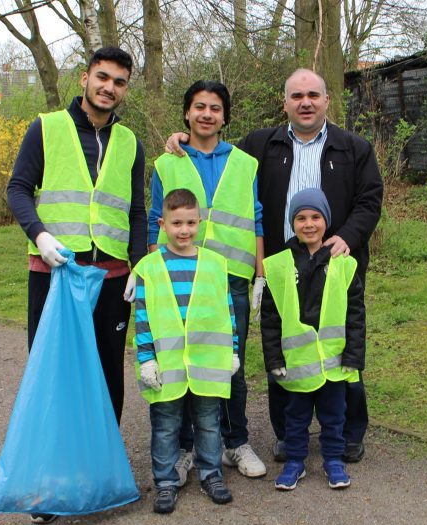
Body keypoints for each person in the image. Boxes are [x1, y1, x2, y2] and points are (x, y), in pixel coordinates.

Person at [165, 69, 383, 464]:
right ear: (284, 103)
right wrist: (181, 139)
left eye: (313, 95)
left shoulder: (354, 148)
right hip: (281, 268)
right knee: (287, 347)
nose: (305, 102)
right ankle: (288, 432)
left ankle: (349, 432)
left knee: (337, 342)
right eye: (297, 95)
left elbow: (370, 200)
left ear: (327, 100)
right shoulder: (260, 145)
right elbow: (215, 151)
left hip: (335, 262)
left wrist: (347, 237)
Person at [6, 46, 146, 525]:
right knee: (55, 375)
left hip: (112, 276)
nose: (109, 87)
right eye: (102, 77)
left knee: (109, 374)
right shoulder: (45, 128)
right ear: (85, 77)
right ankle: (48, 485)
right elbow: (17, 189)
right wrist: (40, 235)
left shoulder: (130, 141)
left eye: (120, 82)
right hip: (57, 272)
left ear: (126, 88)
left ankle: (99, 474)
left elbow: (135, 211)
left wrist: (140, 266)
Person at [149, 81, 267, 479]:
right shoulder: (167, 162)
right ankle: (185, 449)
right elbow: (155, 219)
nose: (207, 114)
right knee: (182, 362)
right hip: (180, 278)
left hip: (231, 277)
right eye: (199, 106)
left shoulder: (246, 163)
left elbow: (257, 217)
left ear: (225, 116)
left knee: (229, 364)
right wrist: (153, 276)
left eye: (215, 108)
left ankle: (235, 442)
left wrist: (260, 273)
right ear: (186, 113)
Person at [134, 188, 238, 514]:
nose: (184, 230)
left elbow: (227, 312)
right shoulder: (148, 268)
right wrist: (146, 358)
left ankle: (211, 474)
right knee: (165, 426)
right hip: (167, 366)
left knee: (208, 423)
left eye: (191, 223)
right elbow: (142, 316)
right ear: (163, 224)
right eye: (177, 223)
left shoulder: (215, 264)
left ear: (200, 221)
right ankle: (165, 482)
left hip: (207, 364)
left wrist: (232, 351)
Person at [261, 188, 365, 490]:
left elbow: (356, 315)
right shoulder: (279, 265)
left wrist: (353, 357)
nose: (309, 224)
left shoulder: (344, 263)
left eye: (316, 217)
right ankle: (295, 462)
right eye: (301, 217)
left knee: (334, 416)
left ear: (326, 221)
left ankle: (333, 461)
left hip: (334, 363)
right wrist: (274, 360)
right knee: (295, 418)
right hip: (297, 364)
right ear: (292, 223)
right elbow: (270, 318)